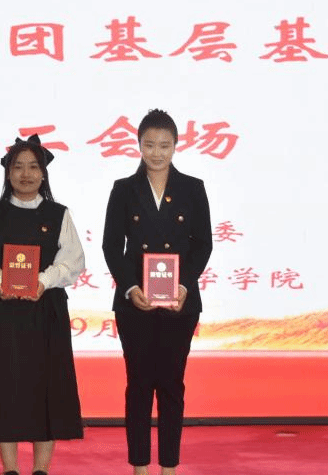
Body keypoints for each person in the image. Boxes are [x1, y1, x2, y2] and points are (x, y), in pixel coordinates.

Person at [101, 109, 213, 475]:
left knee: (171, 385)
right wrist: (130, 287)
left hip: (180, 302)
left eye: (164, 145)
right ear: (138, 145)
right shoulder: (123, 189)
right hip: (135, 303)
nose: (157, 153)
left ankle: (168, 467)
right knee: (138, 385)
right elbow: (111, 245)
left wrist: (184, 285)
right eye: (149, 144)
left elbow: (203, 244)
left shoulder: (192, 188)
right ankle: (139, 466)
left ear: (176, 145)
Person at [0, 134, 86, 475]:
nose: (26, 174)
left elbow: (74, 260)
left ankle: (41, 469)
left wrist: (43, 281)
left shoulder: (58, 214)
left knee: (46, 389)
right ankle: (10, 469)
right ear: (8, 173)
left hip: (46, 312)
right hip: (3, 313)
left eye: (33, 167)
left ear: (43, 173)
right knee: (5, 388)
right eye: (18, 167)